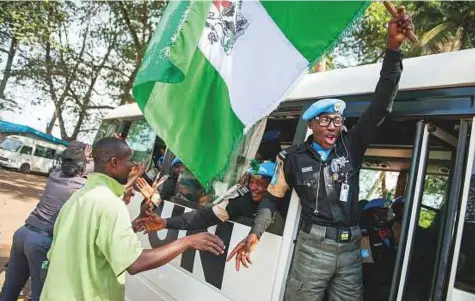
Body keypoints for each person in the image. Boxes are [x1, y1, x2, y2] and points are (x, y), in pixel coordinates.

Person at [227, 9, 412, 301]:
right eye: (324, 120)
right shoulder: (292, 159)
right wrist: (255, 233)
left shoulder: (351, 145)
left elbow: (380, 108)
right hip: (312, 250)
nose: (332, 127)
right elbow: (273, 198)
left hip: (351, 250)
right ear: (311, 125)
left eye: (337, 121)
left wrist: (393, 49)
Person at [39, 137, 224, 301]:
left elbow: (90, 242)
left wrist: (133, 226)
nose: (133, 166)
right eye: (129, 160)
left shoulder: (80, 195)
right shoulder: (110, 203)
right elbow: (135, 263)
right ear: (114, 163)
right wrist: (187, 241)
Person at [0, 146, 88, 301]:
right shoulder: (81, 186)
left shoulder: (54, 175)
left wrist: (84, 160)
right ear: (82, 167)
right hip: (41, 241)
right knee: (40, 294)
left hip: (23, 233)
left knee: (10, 287)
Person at [134, 162, 277, 233]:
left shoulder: (287, 201)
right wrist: (165, 223)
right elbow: (203, 217)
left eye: (260, 184)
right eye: (252, 182)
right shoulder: (240, 200)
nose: (253, 188)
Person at [360, 198, 397, 301]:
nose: (383, 216)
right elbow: (365, 260)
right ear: (369, 215)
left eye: (385, 213)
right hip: (373, 289)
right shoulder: (364, 236)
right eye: (379, 213)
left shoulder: (390, 233)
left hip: (391, 285)